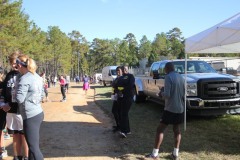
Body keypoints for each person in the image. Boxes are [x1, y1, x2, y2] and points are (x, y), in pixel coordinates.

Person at [145, 62, 185, 160]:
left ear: (167, 69)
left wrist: (161, 93)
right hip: (180, 108)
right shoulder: (181, 77)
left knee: (160, 129)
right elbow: (183, 92)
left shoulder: (168, 77)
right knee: (177, 130)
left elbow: (167, 95)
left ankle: (154, 154)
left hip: (170, 108)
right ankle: (175, 154)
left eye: (165, 69)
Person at [15, 54, 44, 160]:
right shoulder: (37, 77)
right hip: (38, 113)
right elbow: (42, 95)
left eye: (16, 66)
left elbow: (19, 98)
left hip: (30, 116)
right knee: (33, 148)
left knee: (34, 148)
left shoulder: (25, 79)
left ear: (20, 65)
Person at [1, 52, 29, 160]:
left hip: (21, 111)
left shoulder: (24, 75)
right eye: (11, 63)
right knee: (15, 135)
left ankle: (26, 156)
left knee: (24, 135)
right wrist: (3, 104)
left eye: (15, 63)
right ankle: (17, 156)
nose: (13, 65)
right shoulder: (9, 75)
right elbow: (4, 91)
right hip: (10, 111)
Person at [116, 66, 135, 138]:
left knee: (124, 113)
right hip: (121, 98)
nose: (124, 70)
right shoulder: (120, 78)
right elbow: (117, 86)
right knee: (124, 113)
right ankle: (127, 130)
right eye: (123, 69)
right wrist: (118, 92)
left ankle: (123, 131)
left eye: (125, 68)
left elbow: (130, 86)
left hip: (128, 97)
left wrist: (122, 89)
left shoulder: (130, 76)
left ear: (127, 69)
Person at [111, 66, 123, 132]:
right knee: (114, 111)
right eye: (117, 71)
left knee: (119, 112)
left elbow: (122, 88)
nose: (118, 72)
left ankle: (120, 126)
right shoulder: (116, 79)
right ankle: (118, 125)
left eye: (119, 70)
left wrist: (119, 92)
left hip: (121, 98)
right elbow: (113, 87)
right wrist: (112, 94)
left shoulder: (123, 78)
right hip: (116, 97)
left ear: (122, 71)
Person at [0, 67, 8, 160]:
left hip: (1, 110)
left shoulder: (3, 85)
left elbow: (6, 97)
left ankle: (2, 150)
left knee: (0, 130)